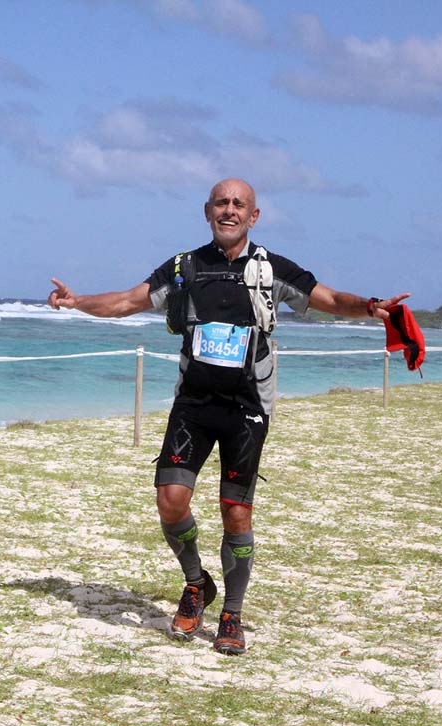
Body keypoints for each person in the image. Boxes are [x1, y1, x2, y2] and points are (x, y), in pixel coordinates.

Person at [47, 178, 408, 656]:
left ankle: (232, 615)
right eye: (222, 202)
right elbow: (126, 302)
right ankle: (197, 583)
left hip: (247, 408)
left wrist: (368, 307)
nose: (230, 210)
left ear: (253, 217)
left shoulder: (272, 269)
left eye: (240, 204)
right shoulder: (184, 267)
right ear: (207, 211)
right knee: (170, 500)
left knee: (235, 512)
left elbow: (327, 299)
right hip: (193, 403)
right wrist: (78, 304)